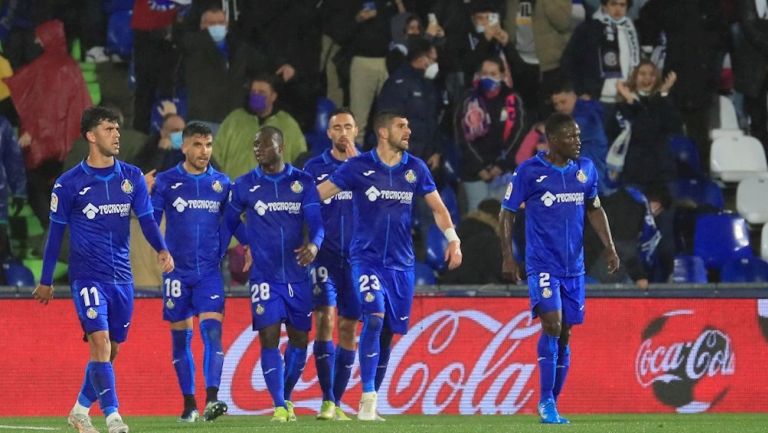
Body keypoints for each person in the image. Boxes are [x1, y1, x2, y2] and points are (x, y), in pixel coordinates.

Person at [32, 106, 175, 433]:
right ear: (91, 136)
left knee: (111, 350)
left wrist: (163, 249)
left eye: (117, 129)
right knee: (100, 343)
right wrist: (45, 280)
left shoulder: (132, 177)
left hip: (123, 279)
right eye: (109, 129)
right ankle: (114, 418)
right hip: (87, 277)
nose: (116, 135)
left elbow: (148, 221)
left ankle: (80, 409)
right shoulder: (69, 184)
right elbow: (55, 235)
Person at [316, 110, 462, 421]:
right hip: (365, 261)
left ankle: (370, 401)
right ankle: (367, 398)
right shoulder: (358, 166)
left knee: (388, 335)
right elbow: (318, 196)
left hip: (402, 266)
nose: (408, 130)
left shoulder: (415, 169)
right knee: (373, 317)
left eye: (408, 125)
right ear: (383, 133)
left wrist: (453, 239)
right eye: (401, 126)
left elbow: (437, 208)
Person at [499, 112, 619, 424]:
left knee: (565, 334)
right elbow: (507, 212)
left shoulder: (585, 170)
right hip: (542, 264)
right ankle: (545, 401)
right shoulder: (530, 171)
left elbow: (594, 209)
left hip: (573, 268)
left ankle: (553, 401)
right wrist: (508, 256)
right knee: (551, 324)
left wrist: (609, 246)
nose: (578, 142)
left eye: (579, 136)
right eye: (570, 137)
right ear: (553, 140)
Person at [224, 125, 324, 422]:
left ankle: (287, 396)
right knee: (268, 336)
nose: (257, 148)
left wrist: (315, 246)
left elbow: (317, 224)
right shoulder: (244, 185)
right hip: (264, 277)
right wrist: (248, 242)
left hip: (297, 274)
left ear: (280, 147)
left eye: (263, 144)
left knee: (299, 341)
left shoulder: (302, 182)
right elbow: (229, 220)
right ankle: (279, 405)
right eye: (255, 144)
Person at [150, 122, 247, 422]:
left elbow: (232, 222)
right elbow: (150, 219)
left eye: (208, 145)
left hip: (208, 273)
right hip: (177, 274)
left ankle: (212, 399)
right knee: (181, 341)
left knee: (212, 332)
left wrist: (250, 244)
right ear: (184, 146)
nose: (204, 151)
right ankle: (188, 404)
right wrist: (161, 250)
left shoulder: (221, 184)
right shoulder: (166, 182)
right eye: (197, 145)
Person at [302, 108, 359, 421]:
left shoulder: (367, 167)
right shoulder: (314, 167)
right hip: (324, 257)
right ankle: (326, 400)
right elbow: (303, 210)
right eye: (336, 127)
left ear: (357, 130)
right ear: (328, 133)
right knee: (325, 319)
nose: (343, 133)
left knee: (349, 328)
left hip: (358, 259)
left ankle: (337, 402)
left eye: (347, 127)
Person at [455, 57, 526, 211]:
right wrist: (479, 167)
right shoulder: (468, 99)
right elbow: (461, 135)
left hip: (503, 171)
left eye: (493, 73)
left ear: (501, 75)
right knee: (477, 215)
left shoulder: (512, 99)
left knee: (504, 218)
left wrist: (500, 165)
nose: (488, 77)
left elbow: (518, 134)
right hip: (474, 171)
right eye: (485, 73)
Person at [213, 75, 307, 180]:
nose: (256, 95)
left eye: (262, 92)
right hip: (236, 188)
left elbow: (301, 157)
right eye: (254, 92)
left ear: (273, 96)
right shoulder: (234, 119)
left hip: (273, 191)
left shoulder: (287, 124)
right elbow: (215, 154)